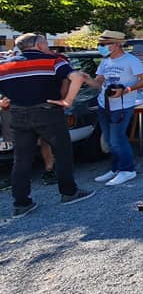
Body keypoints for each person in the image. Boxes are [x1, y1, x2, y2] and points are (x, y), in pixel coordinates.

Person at [0, 33, 95, 218]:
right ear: (38, 44)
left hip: (18, 114)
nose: (47, 44)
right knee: (62, 151)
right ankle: (69, 192)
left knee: (21, 159)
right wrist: (68, 100)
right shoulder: (52, 61)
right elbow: (77, 77)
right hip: (48, 111)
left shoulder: (4, 65)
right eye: (44, 41)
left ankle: (21, 203)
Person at [83, 30, 143, 186]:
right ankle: (116, 168)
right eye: (100, 44)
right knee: (108, 139)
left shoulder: (130, 60)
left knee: (117, 139)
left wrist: (126, 90)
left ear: (117, 44)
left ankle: (128, 170)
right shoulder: (105, 62)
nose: (101, 47)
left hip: (122, 105)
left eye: (105, 44)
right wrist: (86, 79)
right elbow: (98, 83)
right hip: (104, 104)